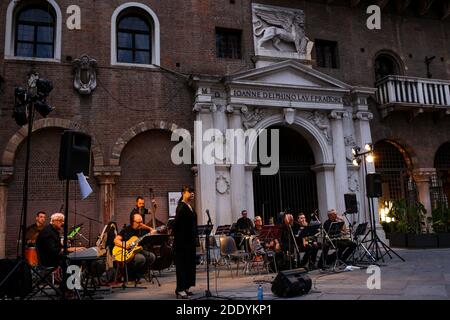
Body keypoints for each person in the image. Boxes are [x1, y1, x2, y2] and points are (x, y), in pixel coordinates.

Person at [113, 214, 156, 282]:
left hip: (137, 250)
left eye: (142, 222)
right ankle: (131, 277)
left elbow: (151, 232)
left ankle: (139, 275)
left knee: (151, 257)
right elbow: (116, 240)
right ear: (132, 222)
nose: (141, 224)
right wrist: (125, 244)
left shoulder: (142, 230)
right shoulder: (126, 230)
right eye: (138, 222)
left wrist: (151, 230)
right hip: (127, 253)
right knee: (141, 258)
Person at [173, 186, 198, 299]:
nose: (192, 193)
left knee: (189, 265)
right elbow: (176, 225)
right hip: (182, 243)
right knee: (182, 266)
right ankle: (180, 289)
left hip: (190, 242)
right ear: (183, 193)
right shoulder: (181, 207)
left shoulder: (189, 206)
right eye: (190, 192)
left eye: (193, 192)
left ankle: (186, 287)